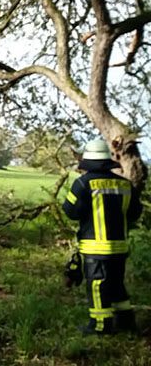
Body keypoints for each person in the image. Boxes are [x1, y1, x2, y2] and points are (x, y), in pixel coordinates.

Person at [62, 138, 143, 335]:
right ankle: (125, 321)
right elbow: (135, 213)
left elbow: (70, 210)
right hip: (119, 247)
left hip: (95, 248)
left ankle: (100, 325)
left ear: (88, 163)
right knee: (116, 283)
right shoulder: (125, 185)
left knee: (97, 284)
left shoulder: (82, 184)